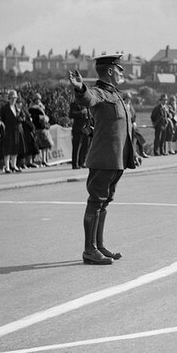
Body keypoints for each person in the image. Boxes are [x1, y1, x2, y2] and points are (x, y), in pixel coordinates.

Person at [68, 53, 140, 265]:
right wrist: (80, 87)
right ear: (110, 71)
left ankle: (99, 246)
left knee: (105, 202)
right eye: (119, 69)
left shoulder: (115, 94)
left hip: (116, 160)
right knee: (95, 202)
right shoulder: (99, 92)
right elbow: (86, 98)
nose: (122, 73)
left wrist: (132, 154)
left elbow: (123, 129)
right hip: (103, 159)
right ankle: (89, 250)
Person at [0, 89, 25, 173]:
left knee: (15, 148)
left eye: (15, 98)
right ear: (9, 98)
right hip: (8, 131)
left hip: (17, 130)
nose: (14, 99)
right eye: (12, 98)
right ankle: (7, 167)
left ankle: (14, 165)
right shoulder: (4, 108)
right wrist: (2, 126)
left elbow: (23, 115)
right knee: (7, 149)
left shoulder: (17, 107)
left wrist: (22, 118)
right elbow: (0, 118)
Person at [29, 92, 53, 167]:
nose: (38, 100)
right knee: (37, 146)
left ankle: (44, 160)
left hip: (43, 128)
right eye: (37, 99)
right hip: (37, 128)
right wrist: (43, 118)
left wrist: (45, 118)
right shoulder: (32, 108)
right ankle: (32, 161)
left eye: (39, 99)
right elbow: (35, 118)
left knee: (45, 145)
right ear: (34, 100)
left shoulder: (41, 107)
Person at [123, 92, 150, 159]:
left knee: (137, 137)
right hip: (126, 125)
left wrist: (134, 122)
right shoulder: (123, 105)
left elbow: (134, 114)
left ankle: (139, 152)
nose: (128, 100)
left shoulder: (130, 105)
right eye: (127, 98)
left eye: (129, 98)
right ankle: (137, 153)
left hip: (132, 125)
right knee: (136, 137)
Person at [69, 100, 92, 169]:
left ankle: (82, 162)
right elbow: (71, 114)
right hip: (78, 127)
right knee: (77, 146)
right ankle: (75, 164)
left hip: (87, 127)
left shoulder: (87, 104)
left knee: (86, 145)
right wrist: (81, 112)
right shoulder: (75, 104)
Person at [18, 99, 38, 169]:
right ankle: (22, 163)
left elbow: (28, 118)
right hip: (22, 130)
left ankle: (29, 162)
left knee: (31, 146)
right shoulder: (17, 110)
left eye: (21, 103)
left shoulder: (24, 110)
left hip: (28, 130)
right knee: (23, 148)